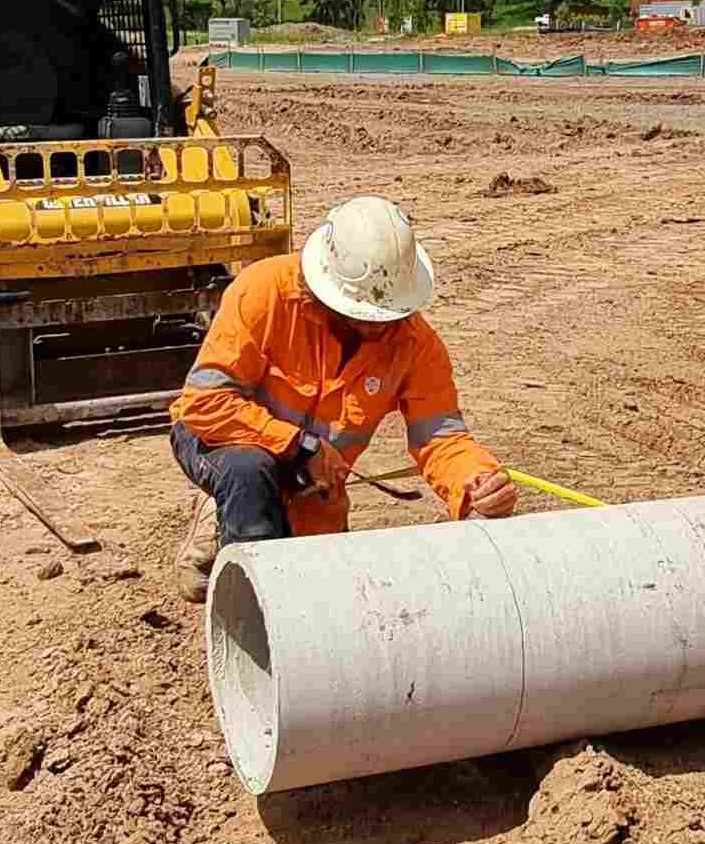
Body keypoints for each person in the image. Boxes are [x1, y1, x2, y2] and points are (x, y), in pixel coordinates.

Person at [168, 195, 517, 602]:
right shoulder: (264, 292)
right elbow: (204, 403)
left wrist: (476, 482)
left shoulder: (416, 344)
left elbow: (441, 437)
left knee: (320, 582)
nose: (376, 329)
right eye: (362, 314)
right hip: (219, 438)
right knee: (250, 476)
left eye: (385, 315)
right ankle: (248, 604)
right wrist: (300, 445)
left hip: (314, 478)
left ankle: (247, 512)